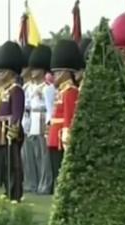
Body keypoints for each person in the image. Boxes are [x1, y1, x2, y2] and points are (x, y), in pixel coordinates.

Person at [48, 40, 82, 192]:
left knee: (63, 175)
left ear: (65, 72)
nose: (54, 76)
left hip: (62, 138)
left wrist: (67, 137)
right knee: (57, 174)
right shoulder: (62, 91)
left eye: (56, 73)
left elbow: (69, 117)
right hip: (55, 137)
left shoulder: (71, 91)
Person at [0, 41, 25, 201]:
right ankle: (8, 190)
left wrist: (13, 130)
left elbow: (17, 112)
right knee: (4, 164)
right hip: (0, 130)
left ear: (11, 71)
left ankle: (15, 192)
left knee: (13, 164)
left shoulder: (16, 90)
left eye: (2, 71)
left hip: (10, 131)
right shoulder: (4, 90)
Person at [21, 44, 53, 194]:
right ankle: (32, 182)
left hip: (42, 119)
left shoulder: (48, 87)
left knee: (43, 156)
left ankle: (45, 184)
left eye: (36, 69)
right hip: (31, 120)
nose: (32, 71)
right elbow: (26, 107)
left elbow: (49, 107)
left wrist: (48, 125)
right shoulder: (28, 87)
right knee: (31, 156)